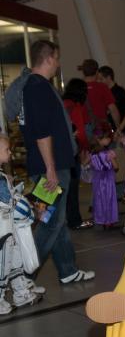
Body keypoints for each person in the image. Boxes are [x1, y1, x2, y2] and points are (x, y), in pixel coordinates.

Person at [20, 40, 95, 284]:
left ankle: (67, 270)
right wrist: (51, 169)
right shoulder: (38, 87)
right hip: (50, 170)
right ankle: (25, 276)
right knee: (50, 224)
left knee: (57, 221)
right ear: (50, 58)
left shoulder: (35, 86)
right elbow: (42, 132)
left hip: (52, 167)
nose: (58, 63)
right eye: (57, 58)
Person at [0, 134, 43, 314]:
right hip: (3, 233)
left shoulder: (2, 177)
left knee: (14, 262)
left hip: (10, 231)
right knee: (2, 266)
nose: (10, 153)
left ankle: (21, 292)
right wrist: (24, 204)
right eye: (6, 150)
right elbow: (8, 203)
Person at [63, 78, 94, 230]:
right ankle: (75, 221)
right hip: (71, 152)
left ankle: (63, 220)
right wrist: (86, 148)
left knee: (63, 188)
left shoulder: (63, 104)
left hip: (60, 151)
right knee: (73, 188)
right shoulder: (75, 106)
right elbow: (80, 133)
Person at [87, 122, 119, 228]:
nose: (109, 140)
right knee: (109, 199)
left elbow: (86, 163)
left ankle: (101, 219)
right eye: (108, 138)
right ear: (100, 139)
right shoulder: (108, 153)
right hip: (108, 178)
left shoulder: (91, 153)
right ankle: (109, 220)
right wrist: (114, 161)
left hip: (97, 178)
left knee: (99, 199)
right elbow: (116, 167)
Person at [79, 59, 120, 134]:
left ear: (83, 72)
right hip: (100, 128)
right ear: (97, 72)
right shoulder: (102, 87)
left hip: (83, 130)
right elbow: (113, 109)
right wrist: (118, 127)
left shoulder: (76, 88)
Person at [98, 65, 125, 135]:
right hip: (107, 132)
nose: (99, 82)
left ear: (109, 77)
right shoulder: (101, 92)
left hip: (121, 132)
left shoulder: (120, 91)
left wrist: (119, 129)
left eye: (101, 79)